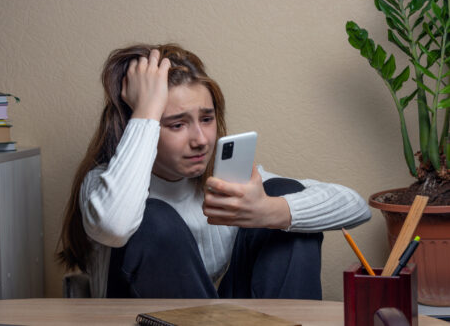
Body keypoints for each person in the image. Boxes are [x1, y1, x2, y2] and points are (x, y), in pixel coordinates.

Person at [57, 44, 371, 299]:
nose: (201, 140)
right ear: (142, 126)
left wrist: (268, 211)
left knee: (284, 195)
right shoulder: (101, 185)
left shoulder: (222, 181)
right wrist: (147, 110)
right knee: (154, 220)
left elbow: (357, 206)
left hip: (216, 318)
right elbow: (116, 225)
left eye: (206, 119)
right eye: (177, 124)